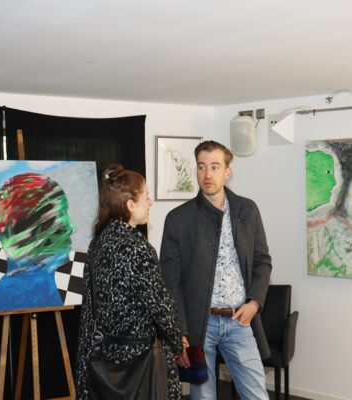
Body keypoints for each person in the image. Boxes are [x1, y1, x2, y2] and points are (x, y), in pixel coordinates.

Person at [160, 140, 272, 399]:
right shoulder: (178, 219)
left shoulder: (247, 210)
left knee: (257, 395)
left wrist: (255, 302)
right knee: (203, 396)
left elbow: (262, 261)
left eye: (214, 167)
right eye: (201, 167)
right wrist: (181, 333)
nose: (207, 174)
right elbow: (171, 282)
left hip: (239, 320)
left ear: (227, 171)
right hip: (200, 325)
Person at [76, 164, 183, 400]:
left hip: (104, 358)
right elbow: (160, 306)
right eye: (146, 196)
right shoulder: (138, 248)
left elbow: (89, 308)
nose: (150, 202)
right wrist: (177, 342)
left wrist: (83, 368)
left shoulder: (98, 243)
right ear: (130, 205)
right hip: (141, 361)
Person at [0, 172, 74, 312]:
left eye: (65, 212)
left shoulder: (42, 286)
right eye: (52, 217)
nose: (71, 228)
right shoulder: (10, 300)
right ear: (16, 234)